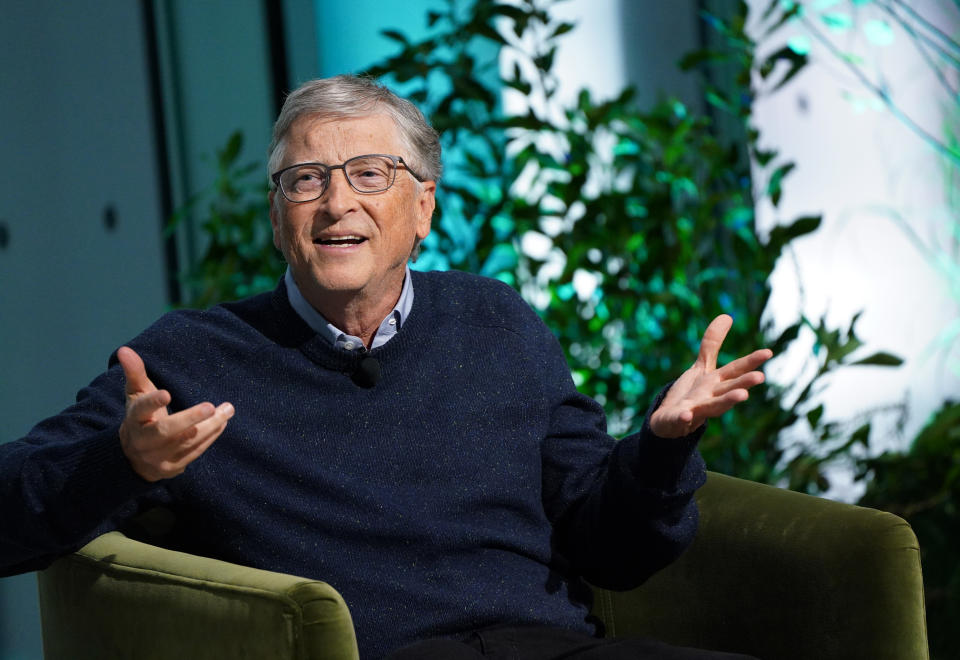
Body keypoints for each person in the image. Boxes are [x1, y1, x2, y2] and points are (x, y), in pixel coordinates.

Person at [0, 75, 771, 659]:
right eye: (306, 180)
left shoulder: (496, 321)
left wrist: (663, 448)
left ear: (424, 208)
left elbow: (612, 552)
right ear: (277, 218)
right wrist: (122, 462)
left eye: (370, 173)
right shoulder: (188, 359)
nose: (337, 203)